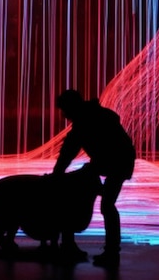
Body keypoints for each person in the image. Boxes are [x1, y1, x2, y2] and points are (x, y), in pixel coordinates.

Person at [53, 89, 136, 268]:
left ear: (72, 107)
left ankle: (111, 252)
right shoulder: (91, 117)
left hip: (117, 162)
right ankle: (72, 243)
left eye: (65, 110)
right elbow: (70, 148)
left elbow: (69, 149)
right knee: (78, 191)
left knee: (106, 205)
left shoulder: (86, 121)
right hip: (110, 162)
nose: (64, 115)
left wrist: (57, 173)